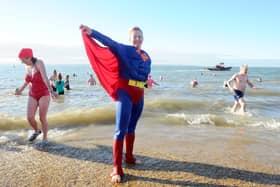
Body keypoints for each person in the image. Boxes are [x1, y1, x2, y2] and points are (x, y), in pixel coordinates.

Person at [80, 24, 151, 183]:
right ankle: (117, 168)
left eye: (140, 36)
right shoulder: (123, 49)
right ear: (130, 39)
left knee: (132, 128)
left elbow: (143, 79)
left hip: (139, 94)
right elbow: (109, 42)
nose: (137, 38)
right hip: (124, 92)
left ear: (143, 39)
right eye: (135, 36)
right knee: (120, 130)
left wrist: (148, 83)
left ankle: (130, 157)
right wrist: (92, 33)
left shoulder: (147, 56)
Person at [15, 48, 57, 143]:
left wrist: (51, 91)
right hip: (32, 94)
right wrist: (20, 90)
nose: (21, 62)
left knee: (42, 118)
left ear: (29, 57)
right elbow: (27, 81)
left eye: (22, 59)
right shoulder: (27, 67)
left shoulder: (39, 63)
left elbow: (45, 78)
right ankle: (37, 131)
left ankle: (45, 138)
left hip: (44, 93)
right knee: (29, 117)